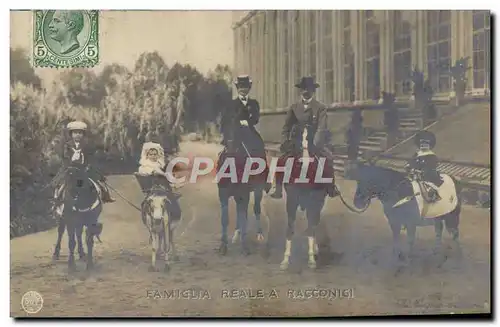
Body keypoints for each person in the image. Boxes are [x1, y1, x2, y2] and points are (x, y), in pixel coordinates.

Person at [270, 76, 339, 199]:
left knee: (328, 159)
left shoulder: (320, 107)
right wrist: (285, 141)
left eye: (309, 89)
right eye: (303, 89)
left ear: (313, 91)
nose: (306, 91)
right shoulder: (294, 107)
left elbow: (321, 127)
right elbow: (286, 127)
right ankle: (278, 188)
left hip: (314, 143)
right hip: (296, 143)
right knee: (281, 161)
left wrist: (317, 143)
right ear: (300, 90)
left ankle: (331, 187)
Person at [56, 120, 115, 204]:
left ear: (83, 134)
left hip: (84, 168)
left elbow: (91, 156)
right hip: (70, 168)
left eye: (80, 133)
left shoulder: (87, 144)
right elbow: (65, 157)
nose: (77, 135)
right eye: (75, 133)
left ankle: (106, 196)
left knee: (98, 181)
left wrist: (89, 165)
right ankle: (57, 199)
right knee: (61, 183)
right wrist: (68, 165)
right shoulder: (67, 145)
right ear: (71, 134)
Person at [406, 130, 442, 203]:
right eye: (422, 144)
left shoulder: (431, 156)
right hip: (415, 175)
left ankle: (430, 197)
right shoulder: (416, 154)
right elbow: (411, 162)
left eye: (426, 144)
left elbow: (431, 166)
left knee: (424, 185)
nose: (423, 146)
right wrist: (409, 167)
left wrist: (421, 171)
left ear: (430, 145)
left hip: (427, 175)